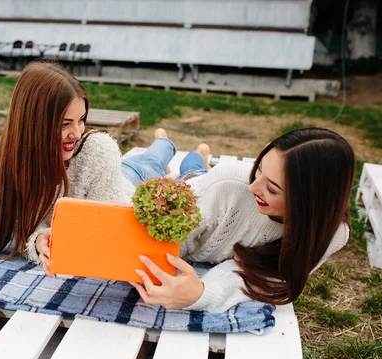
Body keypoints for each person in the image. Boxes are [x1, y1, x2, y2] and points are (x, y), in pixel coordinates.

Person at [0, 61, 177, 272]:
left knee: (152, 163)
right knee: (146, 162)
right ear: (34, 123)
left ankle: (164, 141)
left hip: (126, 184)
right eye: (65, 124)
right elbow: (15, 226)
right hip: (116, 170)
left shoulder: (98, 150)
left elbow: (111, 230)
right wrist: (38, 242)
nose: (77, 132)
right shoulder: (0, 156)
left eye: (81, 120)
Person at [130, 128, 354, 313]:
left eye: (272, 188)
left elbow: (269, 278)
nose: (253, 187)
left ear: (309, 202)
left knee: (197, 168)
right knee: (189, 167)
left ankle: (203, 158)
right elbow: (177, 238)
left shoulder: (331, 233)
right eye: (259, 170)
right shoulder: (231, 181)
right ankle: (174, 146)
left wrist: (202, 293)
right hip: (198, 186)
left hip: (217, 192)